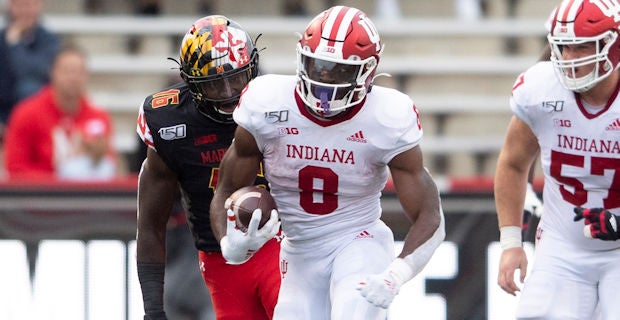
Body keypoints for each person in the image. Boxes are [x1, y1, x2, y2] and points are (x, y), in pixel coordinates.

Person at [210, 6, 445, 319]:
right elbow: (226, 188)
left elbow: (431, 216)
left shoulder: (386, 116)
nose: (325, 79)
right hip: (298, 251)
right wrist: (229, 244)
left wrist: (397, 273)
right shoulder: (267, 102)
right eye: (318, 65)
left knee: (354, 311)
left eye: (339, 70)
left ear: (368, 70)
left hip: (358, 239)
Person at [135, 15, 281, 320]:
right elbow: (150, 223)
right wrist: (152, 310)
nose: (229, 92)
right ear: (191, 80)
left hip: (286, 244)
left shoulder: (277, 103)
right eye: (215, 83)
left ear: (252, 69)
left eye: (236, 78)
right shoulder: (169, 120)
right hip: (217, 255)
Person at [495, 0, 620, 319]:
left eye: (581, 48)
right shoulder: (541, 88)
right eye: (564, 48)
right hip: (563, 246)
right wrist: (511, 241)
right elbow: (512, 163)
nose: (569, 59)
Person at [3, 45, 117, 180]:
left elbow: (110, 164)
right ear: (52, 73)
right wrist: (58, 179)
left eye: (79, 72)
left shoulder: (98, 116)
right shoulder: (27, 113)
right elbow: (15, 168)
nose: (73, 78)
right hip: (40, 196)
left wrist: (95, 157)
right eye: (67, 71)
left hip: (86, 197)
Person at [1, 0, 60, 124]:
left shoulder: (49, 41)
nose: (25, 11)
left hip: (37, 114)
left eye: (30, 5)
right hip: (4, 112)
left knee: (28, 88)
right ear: (11, 7)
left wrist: (15, 45)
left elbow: (31, 72)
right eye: (20, 5)